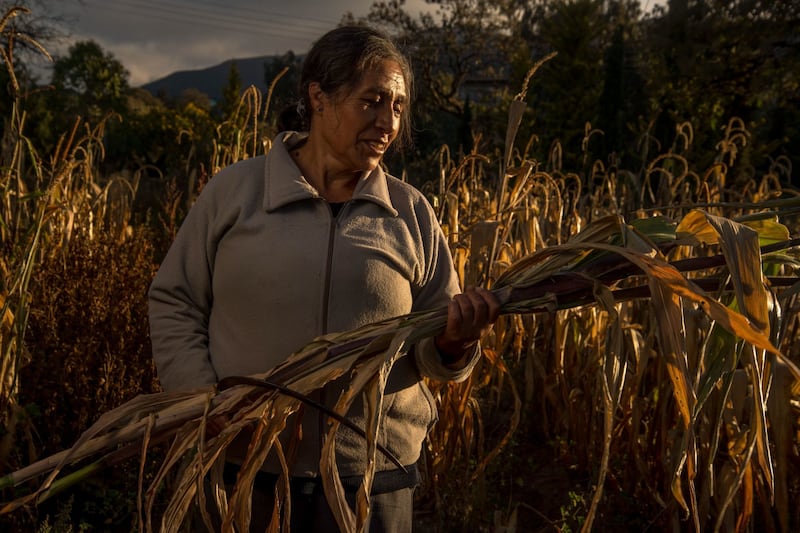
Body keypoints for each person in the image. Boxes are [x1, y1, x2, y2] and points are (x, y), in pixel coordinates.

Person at [148, 25, 500, 532]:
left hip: (369, 480)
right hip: (244, 467)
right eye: (372, 101)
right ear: (318, 97)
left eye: (398, 107)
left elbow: (432, 353)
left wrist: (453, 346)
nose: (388, 122)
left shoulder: (410, 213)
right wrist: (198, 397)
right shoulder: (236, 194)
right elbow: (174, 300)